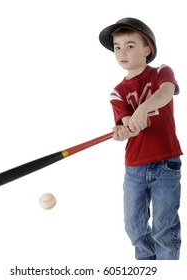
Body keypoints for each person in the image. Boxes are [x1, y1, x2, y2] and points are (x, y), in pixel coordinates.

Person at [99, 18, 183, 260]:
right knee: (134, 228)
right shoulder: (118, 92)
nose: (122, 53)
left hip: (166, 162)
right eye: (117, 47)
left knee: (164, 229)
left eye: (130, 45)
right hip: (134, 166)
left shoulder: (161, 73)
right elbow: (127, 126)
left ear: (147, 49)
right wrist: (124, 131)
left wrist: (143, 108)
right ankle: (147, 267)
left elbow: (166, 93)